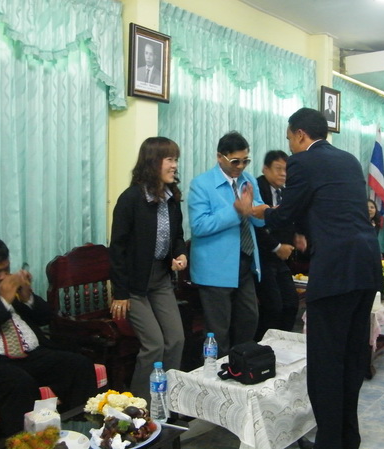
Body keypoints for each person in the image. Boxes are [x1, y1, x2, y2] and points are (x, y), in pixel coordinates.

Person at [253, 108, 382, 449]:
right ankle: (347, 439)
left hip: (336, 271)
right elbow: (331, 208)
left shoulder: (303, 161)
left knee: (326, 363)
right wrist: (304, 232)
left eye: (289, 139)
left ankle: (329, 443)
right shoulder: (348, 160)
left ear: (300, 135)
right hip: (365, 266)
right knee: (352, 358)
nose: (289, 147)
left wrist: (261, 212)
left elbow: (287, 214)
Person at [0, 238, 98, 437]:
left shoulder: (10, 285)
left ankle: (81, 434)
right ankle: (24, 444)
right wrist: (4, 301)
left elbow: (45, 318)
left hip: (31, 355)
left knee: (79, 365)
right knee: (19, 383)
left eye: (6, 269)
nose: (2, 277)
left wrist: (27, 296)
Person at [109, 137, 186, 402]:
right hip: (134, 285)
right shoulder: (131, 199)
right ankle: (139, 404)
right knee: (154, 345)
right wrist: (120, 293)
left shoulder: (171, 198)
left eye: (176, 159)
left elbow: (177, 236)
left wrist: (180, 254)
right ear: (153, 162)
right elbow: (117, 249)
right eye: (170, 159)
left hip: (161, 280)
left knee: (176, 339)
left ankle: (168, 399)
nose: (175, 165)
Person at [188, 131, 264, 356]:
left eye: (245, 161)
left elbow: (258, 220)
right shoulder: (201, 184)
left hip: (245, 262)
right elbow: (199, 226)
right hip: (215, 268)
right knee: (218, 330)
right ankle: (215, 373)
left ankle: (240, 365)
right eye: (235, 161)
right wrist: (235, 211)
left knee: (249, 318)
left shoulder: (248, 181)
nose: (240, 166)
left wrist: (263, 212)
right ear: (220, 157)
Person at [254, 150, 300, 340]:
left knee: (291, 303)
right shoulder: (257, 188)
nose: (283, 174)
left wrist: (297, 235)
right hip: (261, 258)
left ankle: (283, 343)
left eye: (285, 170)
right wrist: (277, 246)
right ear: (265, 169)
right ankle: (262, 346)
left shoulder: (286, 192)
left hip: (280, 259)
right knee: (273, 306)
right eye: (278, 169)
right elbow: (256, 226)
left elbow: (290, 219)